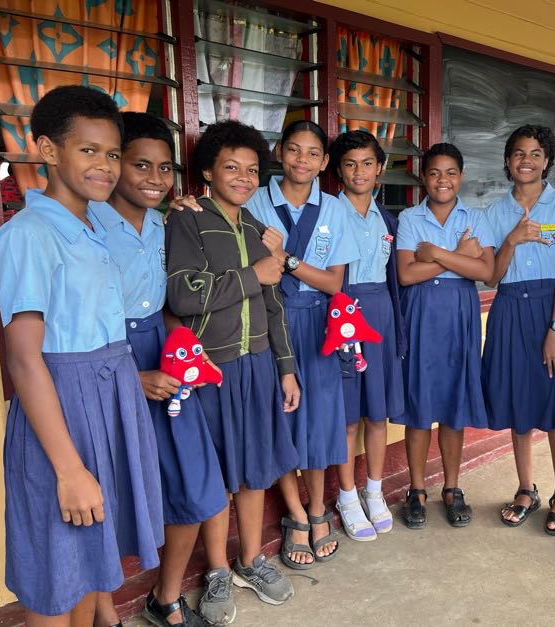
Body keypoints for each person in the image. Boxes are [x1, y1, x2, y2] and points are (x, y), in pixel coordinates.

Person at [0, 85, 164, 624]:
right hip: (60, 418)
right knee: (59, 573)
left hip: (107, 408)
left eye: (112, 153)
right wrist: (68, 470)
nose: (105, 166)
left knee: (93, 555)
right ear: (47, 150)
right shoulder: (30, 235)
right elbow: (24, 360)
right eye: (88, 151)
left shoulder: (91, 227)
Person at [89, 112, 228, 627]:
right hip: (106, 360)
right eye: (140, 164)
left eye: (166, 168)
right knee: (106, 494)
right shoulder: (90, 224)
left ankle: (164, 596)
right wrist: (130, 376)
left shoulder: (164, 223)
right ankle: (107, 615)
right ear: (112, 163)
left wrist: (184, 342)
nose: (155, 178)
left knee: (196, 483)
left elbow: (165, 304)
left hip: (162, 357)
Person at [166, 120, 300, 625]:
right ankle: (219, 570)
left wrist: (286, 369)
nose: (243, 177)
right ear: (207, 171)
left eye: (251, 170)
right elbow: (181, 295)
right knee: (218, 474)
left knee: (255, 468)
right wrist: (252, 274)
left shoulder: (255, 231)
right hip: (211, 372)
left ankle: (251, 559)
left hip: (259, 365)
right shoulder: (187, 221)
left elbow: (274, 308)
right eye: (231, 167)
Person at [247, 120, 361, 567]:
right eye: (294, 150)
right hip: (266, 320)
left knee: (318, 420)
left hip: (317, 323)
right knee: (280, 418)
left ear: (324, 162)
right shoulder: (254, 199)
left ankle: (317, 509)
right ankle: (294, 513)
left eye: (313, 153)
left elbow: (335, 283)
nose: (302, 160)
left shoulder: (333, 209)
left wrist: (287, 259)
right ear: (279, 152)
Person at [482, 124, 555, 533]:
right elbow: (491, 276)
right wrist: (512, 240)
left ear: (547, 161)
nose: (527, 160)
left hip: (548, 309)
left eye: (536, 153)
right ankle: (526, 488)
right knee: (518, 404)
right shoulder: (493, 212)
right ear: (508, 161)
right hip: (508, 310)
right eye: (519, 153)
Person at [395, 142, 496, 529]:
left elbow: (485, 272)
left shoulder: (477, 216)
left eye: (451, 172)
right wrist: (459, 256)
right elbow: (406, 275)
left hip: (460, 315)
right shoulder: (409, 218)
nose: (443, 180)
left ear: (461, 176)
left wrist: (436, 253)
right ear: (424, 177)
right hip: (420, 312)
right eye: (435, 172)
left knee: (455, 405)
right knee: (419, 405)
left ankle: (452, 488)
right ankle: (417, 489)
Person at [329, 130, 405, 541]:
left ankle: (374, 491)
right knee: (346, 417)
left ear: (380, 169)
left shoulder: (387, 219)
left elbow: (394, 281)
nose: (360, 171)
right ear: (338, 170)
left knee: (377, 413)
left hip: (379, 318)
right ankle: (345, 495)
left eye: (367, 163)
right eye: (350, 163)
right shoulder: (326, 214)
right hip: (341, 314)